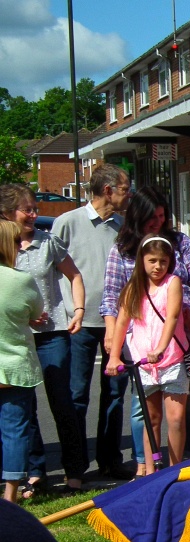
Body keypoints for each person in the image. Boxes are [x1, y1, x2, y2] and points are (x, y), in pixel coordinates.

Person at [101, 186, 190, 475]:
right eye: (151, 217)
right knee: (145, 408)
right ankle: (145, 464)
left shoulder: (179, 242)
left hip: (182, 333)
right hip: (142, 338)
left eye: (162, 216)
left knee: (187, 403)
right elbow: (112, 295)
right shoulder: (123, 249)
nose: (157, 222)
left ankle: (185, 460)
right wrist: (110, 333)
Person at [1, 184, 86, 496]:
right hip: (18, 339)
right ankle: (35, 472)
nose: (34, 214)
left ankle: (75, 470)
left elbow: (74, 275)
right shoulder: (3, 246)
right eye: (27, 209)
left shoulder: (48, 242)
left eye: (35, 208)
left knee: (62, 402)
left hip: (52, 335)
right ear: (8, 213)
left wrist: (77, 309)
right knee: (25, 410)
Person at [51, 164, 133, 480]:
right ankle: (75, 466)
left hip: (116, 323)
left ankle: (110, 460)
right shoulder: (66, 223)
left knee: (114, 394)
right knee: (76, 395)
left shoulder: (124, 226)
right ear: (108, 190)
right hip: (78, 325)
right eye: (126, 188)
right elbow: (52, 269)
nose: (130, 194)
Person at [106, 235, 189, 475]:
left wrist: (162, 348)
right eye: (152, 261)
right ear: (141, 261)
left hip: (171, 360)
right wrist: (114, 357)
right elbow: (121, 323)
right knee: (151, 419)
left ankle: (175, 470)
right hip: (144, 363)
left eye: (163, 261)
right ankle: (151, 470)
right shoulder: (133, 288)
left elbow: (172, 317)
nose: (158, 267)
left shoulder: (172, 283)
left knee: (175, 418)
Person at [0, 220, 44, 503]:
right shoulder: (22, 280)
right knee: (15, 432)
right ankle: (11, 494)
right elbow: (37, 311)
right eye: (17, 242)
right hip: (15, 366)